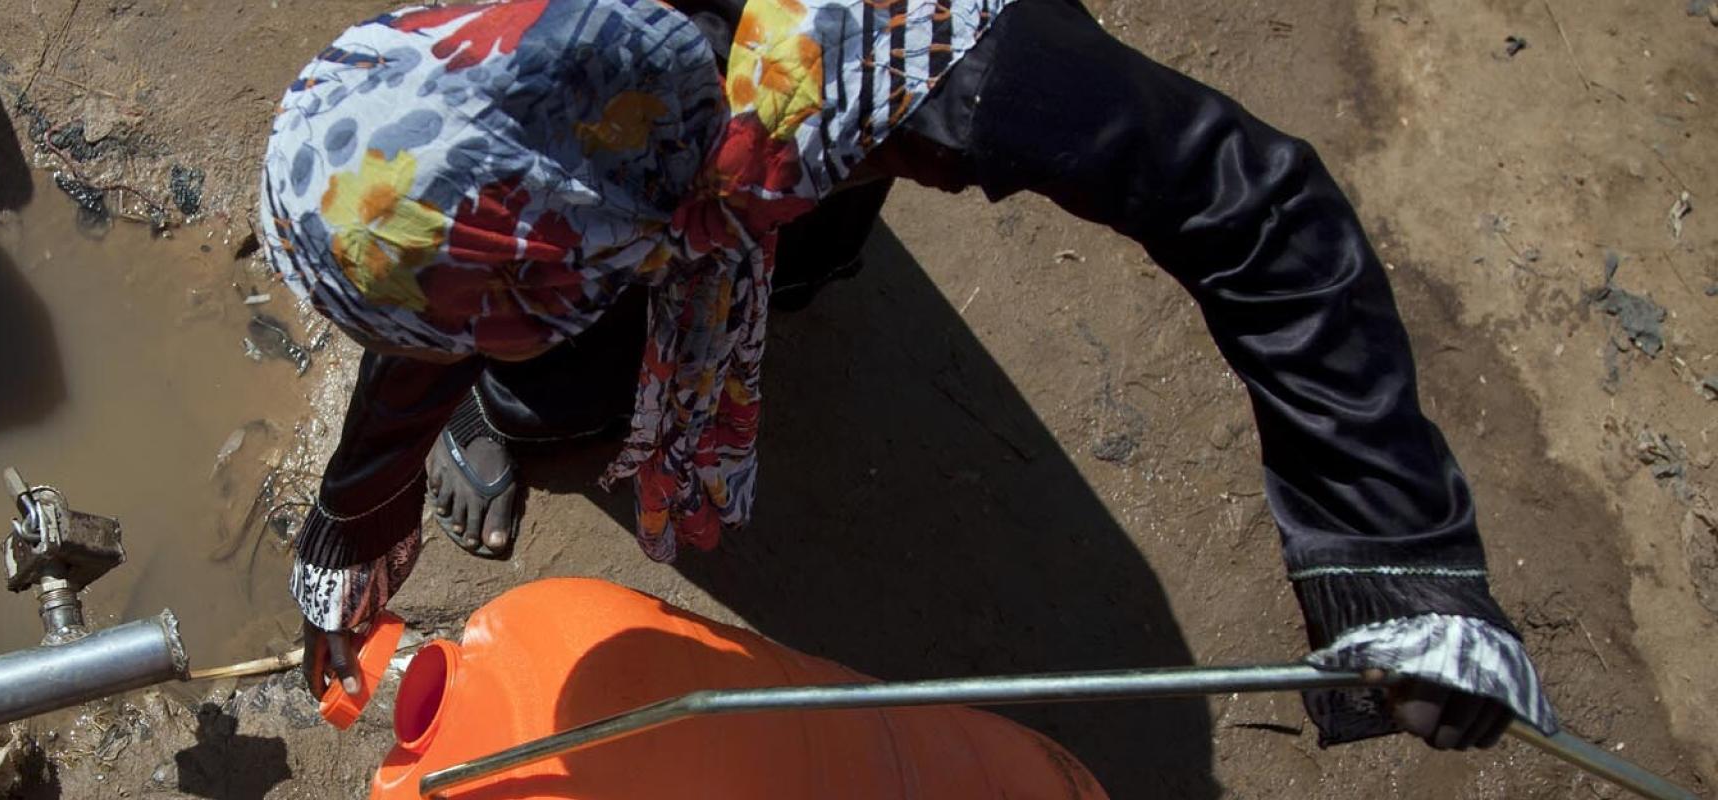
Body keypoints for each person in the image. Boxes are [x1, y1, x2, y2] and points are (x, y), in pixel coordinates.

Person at [259, 0, 1557, 751]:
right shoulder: (507, 64)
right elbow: (432, 264)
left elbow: (1254, 207)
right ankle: (569, 374)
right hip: (660, 156)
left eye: (488, 314)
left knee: (797, 213)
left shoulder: (923, 60)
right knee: (568, 324)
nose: (440, 337)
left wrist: (1397, 556)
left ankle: (778, 265)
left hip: (802, 93)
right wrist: (356, 518)